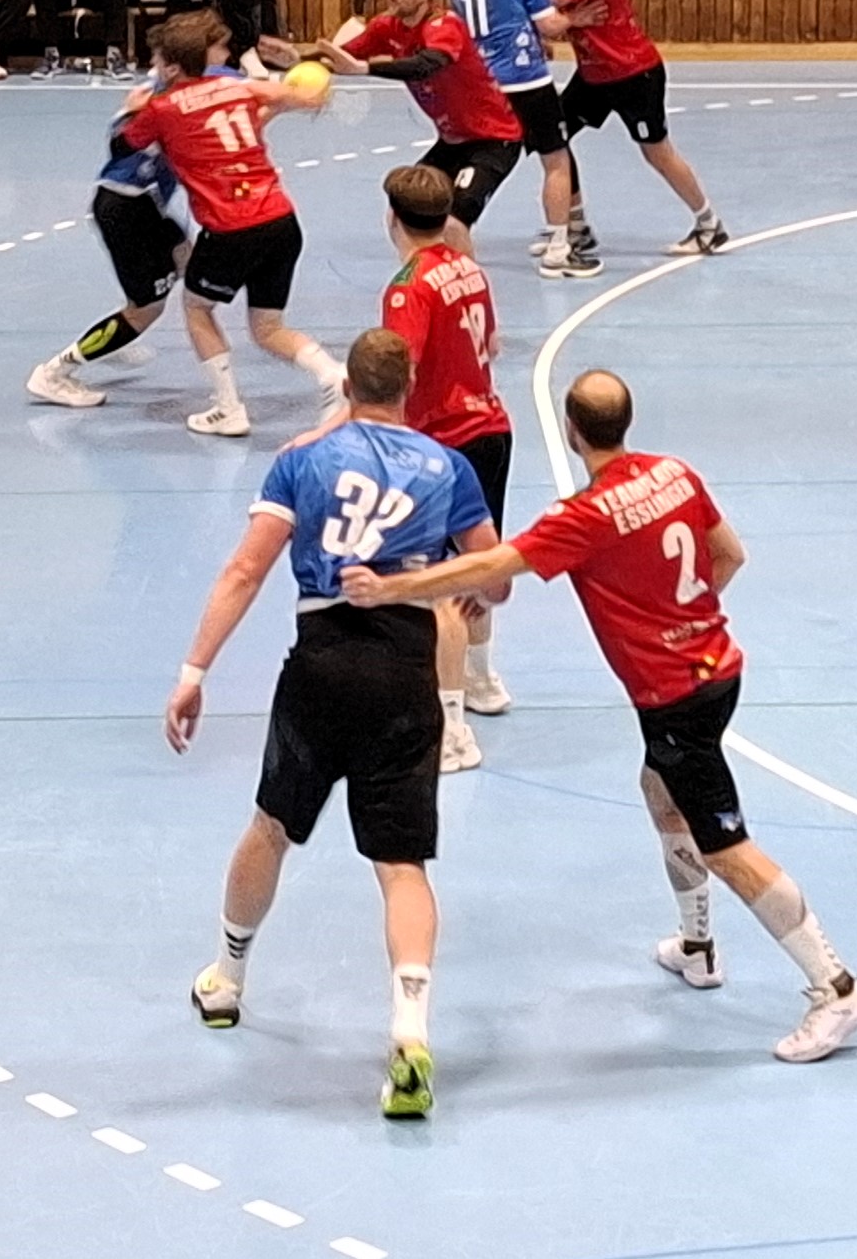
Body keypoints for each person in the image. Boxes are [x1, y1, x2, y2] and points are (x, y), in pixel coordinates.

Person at [343, 370, 857, 1066]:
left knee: (728, 847)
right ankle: (697, 946)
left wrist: (392, 586)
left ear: (572, 432)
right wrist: (679, 620)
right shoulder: (675, 474)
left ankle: (836, 987)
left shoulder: (585, 516)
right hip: (718, 670)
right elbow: (729, 555)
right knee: (660, 791)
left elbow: (492, 564)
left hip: (675, 697)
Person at [166, 327, 498, 1122]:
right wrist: (458, 579)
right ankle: (410, 1034)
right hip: (405, 675)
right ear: (409, 386)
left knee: (271, 826)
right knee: (402, 865)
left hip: (319, 667)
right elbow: (495, 574)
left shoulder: (302, 460)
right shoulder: (447, 467)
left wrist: (194, 671)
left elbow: (245, 569)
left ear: (347, 387)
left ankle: (226, 978)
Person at [119, 10, 344, 438]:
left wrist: (133, 111)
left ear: (171, 66)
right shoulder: (237, 87)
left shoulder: (162, 108)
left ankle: (228, 409)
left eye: (158, 60)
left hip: (232, 229)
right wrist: (300, 81)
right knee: (268, 328)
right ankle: (333, 374)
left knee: (197, 308)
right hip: (281, 221)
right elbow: (303, 97)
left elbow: (124, 144)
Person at [376, 166, 517, 770]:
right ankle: (482, 680)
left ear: (393, 218)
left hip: (440, 444)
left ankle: (451, 728)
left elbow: (398, 374)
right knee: (478, 566)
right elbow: (493, 346)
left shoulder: (408, 288)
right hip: (491, 428)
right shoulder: (469, 267)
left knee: (439, 584)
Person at [538, 0, 728, 256]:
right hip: (592, 76)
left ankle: (709, 225)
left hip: (632, 72)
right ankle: (577, 227)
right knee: (552, 138)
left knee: (656, 152)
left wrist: (555, 15)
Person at [297, 0, 528, 226]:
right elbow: (341, 57)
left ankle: (457, 256)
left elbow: (426, 65)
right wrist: (293, 59)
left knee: (457, 216)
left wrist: (365, 69)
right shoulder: (386, 27)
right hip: (452, 142)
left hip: (494, 141)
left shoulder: (445, 25)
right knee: (406, 206)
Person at [24, 90, 195, 413]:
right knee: (147, 309)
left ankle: (117, 333)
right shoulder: (165, 104)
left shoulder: (161, 95)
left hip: (147, 207)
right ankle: (54, 373)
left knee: (186, 258)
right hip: (127, 209)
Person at [454, 0, 593, 279]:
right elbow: (549, 24)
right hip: (527, 80)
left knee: (488, 157)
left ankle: (455, 228)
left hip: (487, 84)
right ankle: (560, 248)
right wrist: (576, 18)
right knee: (556, 159)